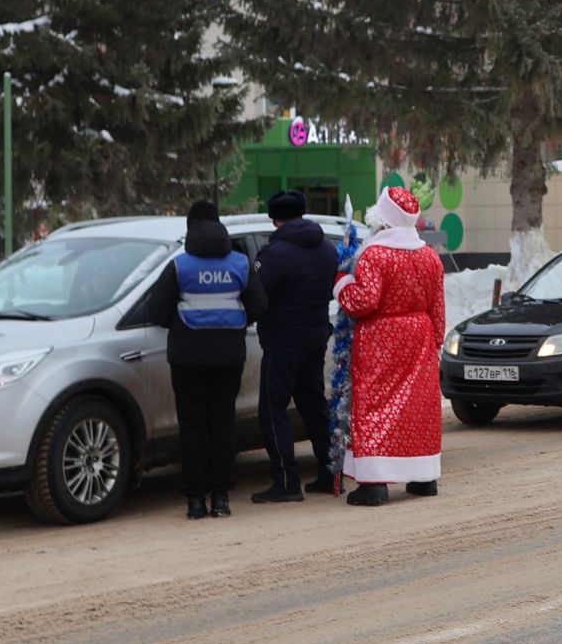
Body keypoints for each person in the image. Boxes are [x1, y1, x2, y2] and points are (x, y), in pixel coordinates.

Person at [146, 199, 267, 520]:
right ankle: (222, 499)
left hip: (187, 357)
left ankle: (196, 501)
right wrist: (234, 321)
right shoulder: (240, 264)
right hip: (229, 355)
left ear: (190, 230)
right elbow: (259, 307)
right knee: (222, 424)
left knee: (193, 427)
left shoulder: (179, 266)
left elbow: (157, 312)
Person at [334, 184, 446, 506]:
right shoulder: (429, 256)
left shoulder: (375, 254)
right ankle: (424, 478)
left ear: (381, 219)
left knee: (375, 405)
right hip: (420, 336)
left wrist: (342, 283)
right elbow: (437, 306)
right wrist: (435, 340)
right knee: (417, 408)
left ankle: (374, 482)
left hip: (382, 339)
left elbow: (364, 301)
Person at [250, 189, 341, 502]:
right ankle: (331, 473)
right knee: (314, 406)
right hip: (315, 339)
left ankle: (287, 482)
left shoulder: (274, 255)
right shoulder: (328, 249)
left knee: (273, 412)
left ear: (274, 219)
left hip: (283, 343)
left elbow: (257, 298)